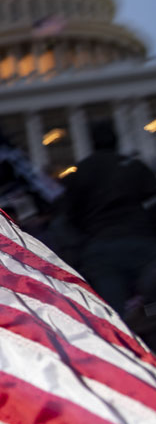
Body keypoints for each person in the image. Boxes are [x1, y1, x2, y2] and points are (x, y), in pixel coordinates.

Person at [62, 121, 156, 314]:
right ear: (116, 141)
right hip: (141, 242)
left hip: (100, 248)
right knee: (152, 306)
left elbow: (69, 215)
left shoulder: (81, 172)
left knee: (115, 315)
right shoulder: (133, 166)